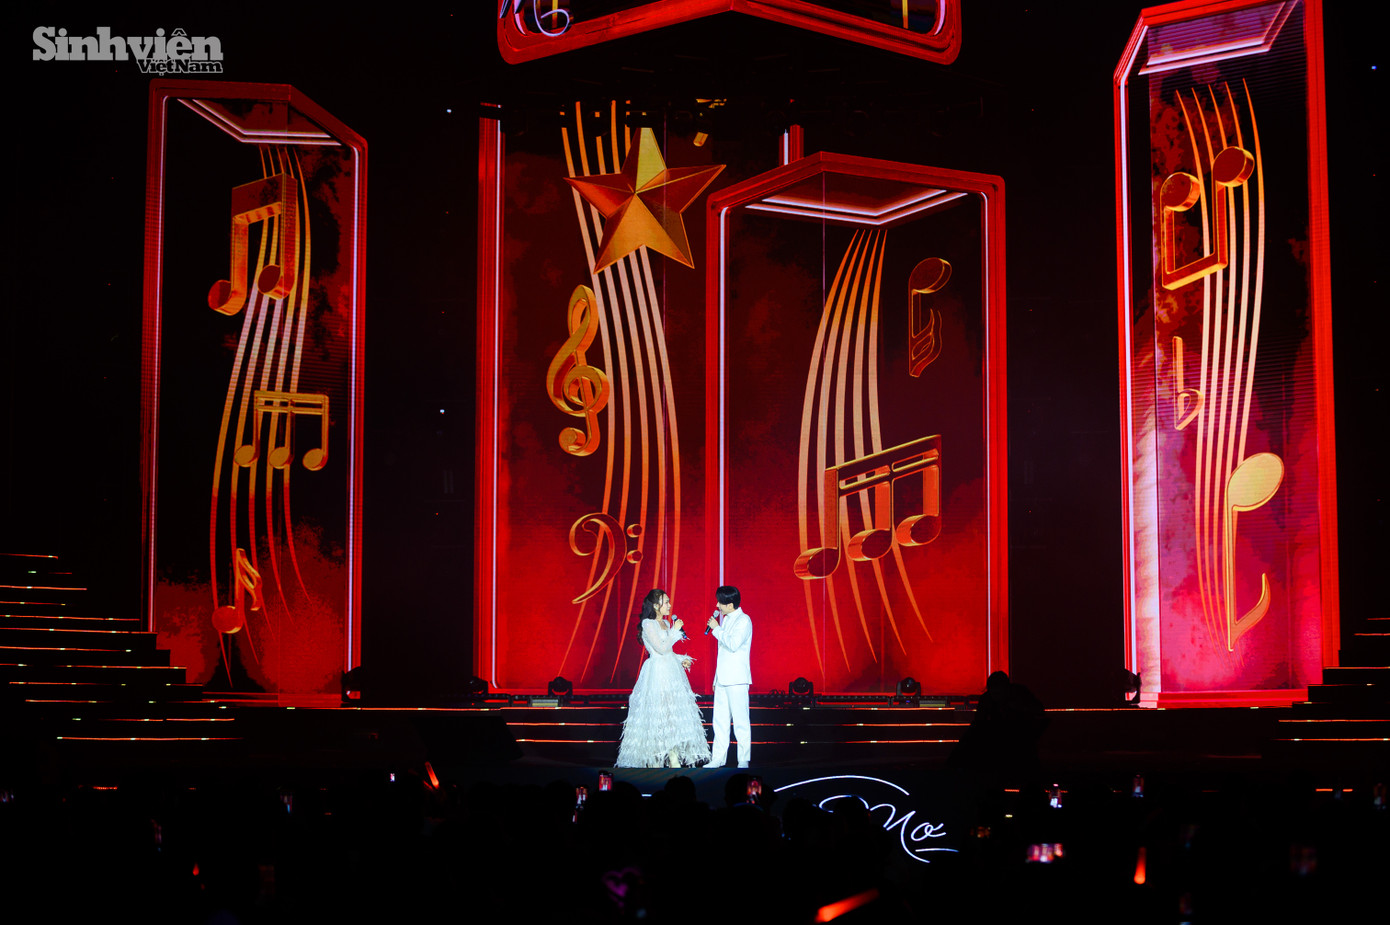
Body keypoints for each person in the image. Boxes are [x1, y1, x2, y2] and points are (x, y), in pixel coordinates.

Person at [616, 589, 712, 768]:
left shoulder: (666, 623)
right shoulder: (648, 623)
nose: (669, 605)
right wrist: (675, 631)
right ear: (655, 605)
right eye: (665, 602)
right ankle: (655, 760)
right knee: (657, 715)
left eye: (668, 601)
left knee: (671, 716)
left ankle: (673, 757)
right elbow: (660, 648)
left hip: (671, 671)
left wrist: (682, 659)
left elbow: (669, 651)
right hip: (657, 673)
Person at [706, 585, 752, 768]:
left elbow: (733, 644)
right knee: (719, 721)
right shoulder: (725, 620)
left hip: (737, 679)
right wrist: (716, 679)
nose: (717, 606)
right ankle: (717, 758)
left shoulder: (744, 620)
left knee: (740, 721)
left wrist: (716, 629)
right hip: (722, 679)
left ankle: (743, 760)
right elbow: (723, 654)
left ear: (730, 604)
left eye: (720, 602)